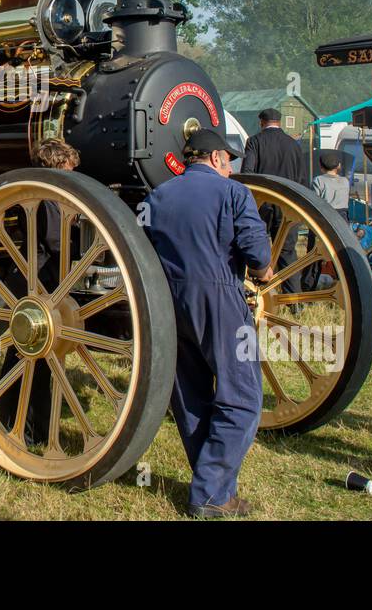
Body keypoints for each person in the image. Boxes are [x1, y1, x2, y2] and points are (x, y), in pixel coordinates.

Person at [144, 128, 273, 518]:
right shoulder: (233, 193)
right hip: (218, 297)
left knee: (190, 397)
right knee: (243, 398)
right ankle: (211, 494)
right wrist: (265, 271)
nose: (231, 168)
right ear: (216, 158)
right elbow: (257, 253)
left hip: (167, 301)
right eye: (229, 161)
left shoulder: (157, 196)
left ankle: (213, 485)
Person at [0, 138, 79, 445]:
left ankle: (32, 429)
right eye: (68, 168)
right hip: (40, 282)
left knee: (36, 360)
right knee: (29, 359)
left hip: (34, 280)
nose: (71, 175)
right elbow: (56, 242)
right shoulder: (48, 199)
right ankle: (18, 429)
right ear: (56, 165)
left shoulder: (37, 194)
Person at [241, 107, 309, 292]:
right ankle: (294, 300)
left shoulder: (254, 142)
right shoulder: (293, 145)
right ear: (279, 122)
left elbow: (247, 174)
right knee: (287, 252)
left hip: (261, 204)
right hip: (287, 205)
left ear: (261, 122)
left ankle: (256, 291)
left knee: (256, 247)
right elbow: (302, 178)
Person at [312, 150, 350, 219]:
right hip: (342, 217)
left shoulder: (318, 180)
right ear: (339, 166)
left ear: (321, 167)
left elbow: (315, 200)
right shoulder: (345, 181)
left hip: (325, 215)